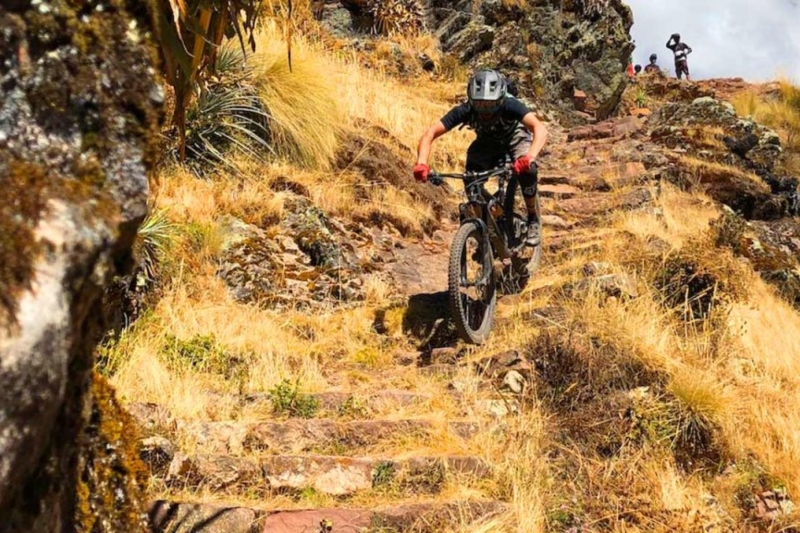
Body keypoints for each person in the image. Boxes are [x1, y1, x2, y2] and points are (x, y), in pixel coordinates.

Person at [413, 69, 549, 247]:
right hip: (487, 143)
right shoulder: (465, 110)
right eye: (479, 105)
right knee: (471, 183)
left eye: (491, 105)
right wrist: (422, 163)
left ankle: (532, 219)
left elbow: (539, 128)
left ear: (500, 100)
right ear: (471, 100)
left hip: (515, 138)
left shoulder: (511, 105)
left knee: (527, 171)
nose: (485, 110)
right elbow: (430, 134)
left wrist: (529, 156)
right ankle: (487, 234)